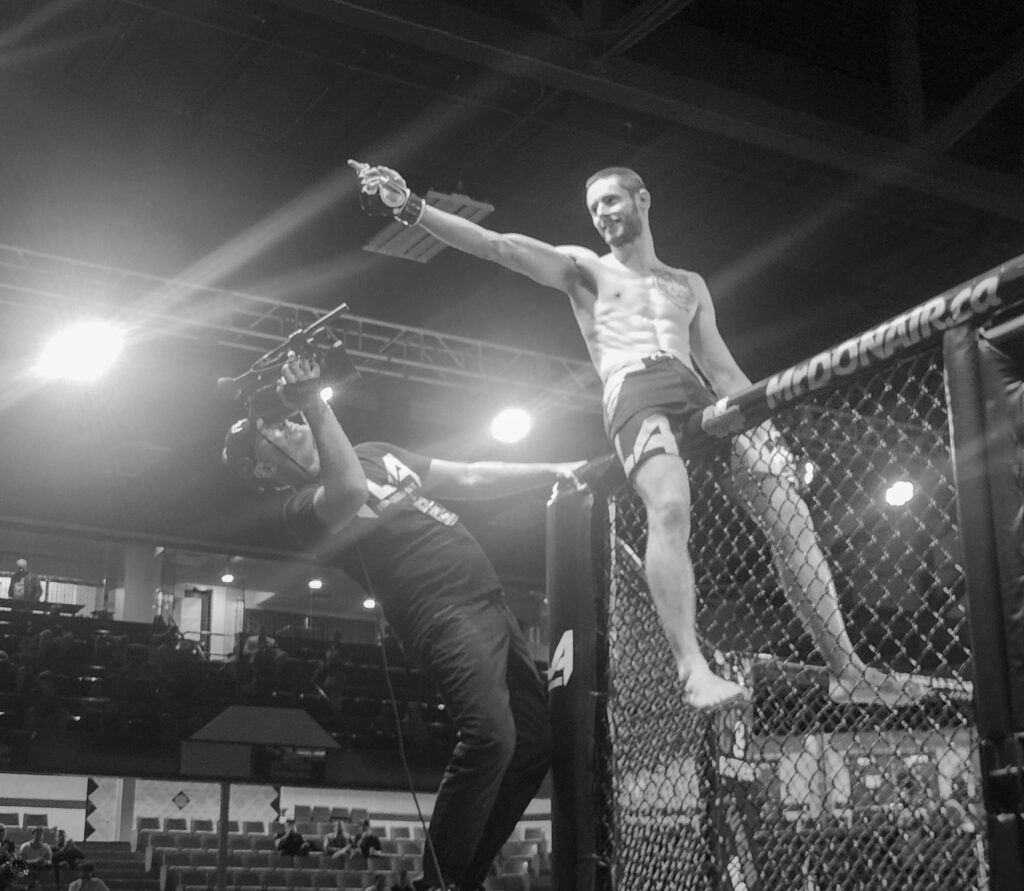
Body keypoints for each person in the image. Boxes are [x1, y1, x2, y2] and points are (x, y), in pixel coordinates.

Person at [350, 160, 928, 711]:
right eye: (593, 208)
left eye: (610, 201)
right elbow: (496, 245)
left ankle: (846, 670)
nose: (602, 214)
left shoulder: (688, 284)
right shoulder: (586, 269)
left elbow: (721, 368)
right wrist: (411, 207)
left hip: (699, 393)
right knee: (670, 505)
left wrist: (768, 429)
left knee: (790, 514)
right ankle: (692, 669)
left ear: (641, 199)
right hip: (633, 388)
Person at [222, 356, 583, 891]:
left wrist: (552, 470)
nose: (288, 422)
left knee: (532, 744)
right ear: (262, 469)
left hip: (491, 604)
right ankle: (437, 883)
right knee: (490, 738)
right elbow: (349, 491)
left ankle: (462, 879)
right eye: (272, 428)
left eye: (287, 415)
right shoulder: (299, 509)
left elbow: (468, 475)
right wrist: (315, 402)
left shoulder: (375, 452)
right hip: (442, 613)